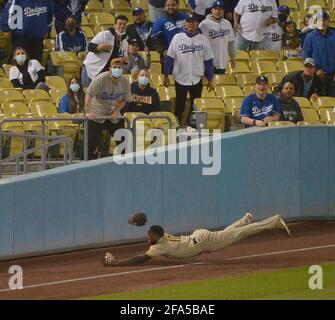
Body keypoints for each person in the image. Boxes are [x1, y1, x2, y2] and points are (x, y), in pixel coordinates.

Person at [103, 213, 291, 266]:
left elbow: (140, 259)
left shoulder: (160, 246)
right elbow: (147, 248)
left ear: (157, 236)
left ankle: (273, 221)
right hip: (200, 239)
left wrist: (117, 263)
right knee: (228, 236)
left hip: (203, 241)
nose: (147, 237)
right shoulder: (161, 239)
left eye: (150, 235)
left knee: (238, 235)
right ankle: (244, 220)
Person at [164, 13, 214, 124]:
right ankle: (176, 124)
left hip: (196, 77)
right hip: (180, 77)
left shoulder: (203, 40)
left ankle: (191, 124)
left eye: (194, 21)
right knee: (180, 104)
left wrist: (210, 79)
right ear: (185, 23)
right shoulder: (177, 38)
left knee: (195, 104)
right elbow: (170, 57)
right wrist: (166, 75)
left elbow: (208, 61)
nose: (191, 24)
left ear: (197, 23)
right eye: (189, 22)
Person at [85, 58, 131, 159]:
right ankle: (86, 165)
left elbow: (125, 99)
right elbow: (89, 94)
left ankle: (125, 166)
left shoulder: (125, 81)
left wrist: (116, 111)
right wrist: (88, 112)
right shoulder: (101, 78)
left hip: (113, 116)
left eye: (119, 67)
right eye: (115, 67)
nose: (117, 69)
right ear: (110, 68)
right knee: (91, 145)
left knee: (124, 142)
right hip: (97, 115)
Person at [82, 15, 129, 87]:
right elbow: (89, 46)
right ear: (115, 25)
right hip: (91, 68)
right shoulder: (104, 34)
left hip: (105, 74)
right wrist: (99, 47)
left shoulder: (125, 42)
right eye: (120, 24)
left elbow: (123, 59)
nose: (122, 26)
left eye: (124, 24)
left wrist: (124, 60)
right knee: (87, 94)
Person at [303, 12, 335, 97]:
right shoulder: (310, 36)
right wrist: (316, 70)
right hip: (316, 76)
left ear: (328, 21)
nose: (322, 23)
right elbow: (306, 55)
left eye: (324, 20)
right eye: (319, 20)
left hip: (333, 77)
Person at [199, 1, 236, 75]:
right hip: (208, 62)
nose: (217, 11)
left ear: (223, 11)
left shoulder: (227, 23)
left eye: (220, 9)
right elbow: (200, 45)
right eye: (215, 9)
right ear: (211, 10)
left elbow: (231, 43)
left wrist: (233, 58)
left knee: (219, 84)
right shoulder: (204, 24)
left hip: (222, 62)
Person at [151, 0, 188, 70]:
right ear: (165, 7)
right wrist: (163, 50)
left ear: (177, 5)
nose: (170, 7)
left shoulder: (186, 17)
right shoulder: (159, 21)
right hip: (168, 58)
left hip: (186, 56)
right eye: (168, 5)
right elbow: (154, 40)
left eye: (173, 5)